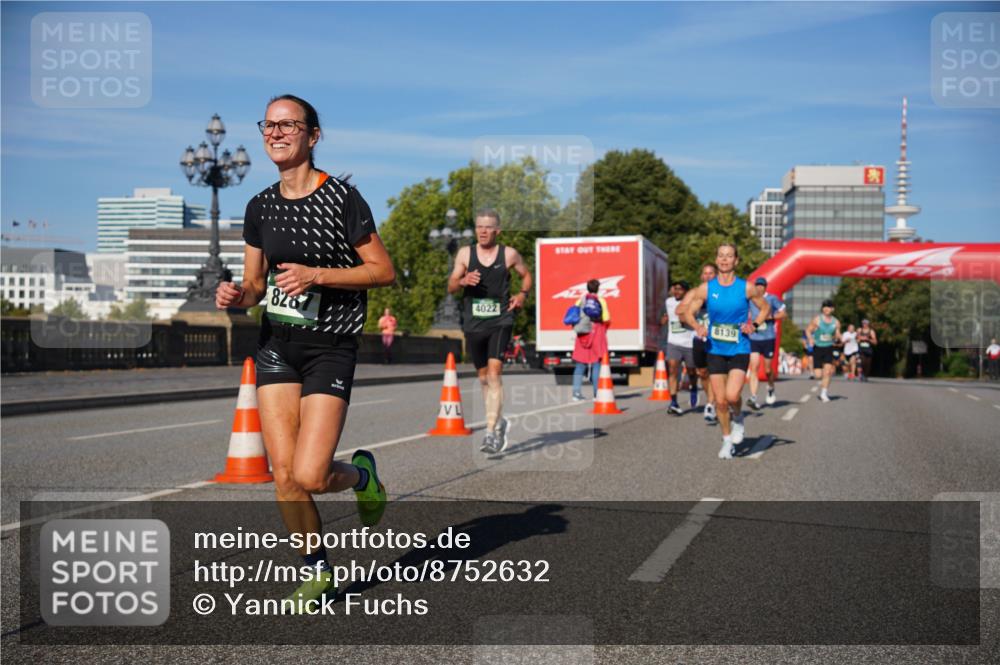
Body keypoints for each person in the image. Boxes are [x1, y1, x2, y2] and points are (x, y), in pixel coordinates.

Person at [215, 94, 395, 609]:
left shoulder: (341, 199)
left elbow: (382, 272)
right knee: (285, 475)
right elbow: (253, 284)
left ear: (312, 136)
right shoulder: (259, 206)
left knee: (313, 475)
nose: (275, 133)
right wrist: (236, 296)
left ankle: (362, 475)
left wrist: (316, 274)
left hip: (330, 348)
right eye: (268, 125)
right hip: (276, 347)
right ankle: (317, 572)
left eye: (288, 125)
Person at [447, 209, 532, 454]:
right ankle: (498, 421)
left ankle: (491, 431)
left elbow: (526, 276)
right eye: (479, 227)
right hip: (474, 323)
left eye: (487, 227)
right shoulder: (465, 253)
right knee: (483, 377)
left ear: (497, 231)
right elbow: (451, 285)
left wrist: (522, 295)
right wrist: (462, 281)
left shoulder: (509, 254)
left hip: (500, 319)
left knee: (494, 374)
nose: (482, 231)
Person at [680, 243, 769, 460]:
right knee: (720, 401)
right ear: (717, 259)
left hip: (739, 347)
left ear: (736, 261)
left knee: (731, 395)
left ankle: (738, 417)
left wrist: (754, 325)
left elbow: (765, 308)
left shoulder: (747, 287)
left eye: (729, 256)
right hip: (715, 348)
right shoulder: (706, 288)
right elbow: (687, 312)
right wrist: (698, 326)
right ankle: (727, 440)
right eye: (721, 256)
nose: (724, 259)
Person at [677, 263, 718, 423]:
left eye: (711, 273)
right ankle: (712, 400)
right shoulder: (695, 293)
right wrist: (691, 312)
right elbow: (680, 311)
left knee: (717, 372)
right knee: (703, 373)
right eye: (705, 273)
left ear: (716, 275)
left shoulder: (723, 291)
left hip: (719, 339)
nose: (708, 276)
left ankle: (711, 404)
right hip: (699, 338)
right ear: (701, 276)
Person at [746, 277, 786, 410]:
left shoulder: (772, 299)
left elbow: (783, 314)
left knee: (768, 370)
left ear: (765, 287)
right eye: (757, 285)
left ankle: (770, 387)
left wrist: (771, 317)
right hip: (754, 337)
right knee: (754, 367)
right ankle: (753, 397)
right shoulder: (751, 299)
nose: (759, 287)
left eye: (762, 285)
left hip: (769, 337)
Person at [571, 279, 611, 401]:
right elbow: (606, 318)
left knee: (580, 364)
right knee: (596, 363)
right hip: (597, 332)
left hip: (583, 333)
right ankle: (596, 393)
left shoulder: (580, 300)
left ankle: (576, 393)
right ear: (598, 288)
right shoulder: (601, 300)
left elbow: (574, 315)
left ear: (587, 288)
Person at [661, 280, 696, 415]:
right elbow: (665, 317)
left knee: (692, 372)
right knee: (673, 370)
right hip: (673, 342)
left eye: (680, 289)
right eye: (675, 289)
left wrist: (685, 317)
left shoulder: (692, 303)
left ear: (686, 292)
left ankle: (693, 388)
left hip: (689, 343)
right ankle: (673, 402)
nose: (677, 292)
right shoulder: (668, 302)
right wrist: (663, 320)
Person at [806, 300, 841, 402]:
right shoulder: (817, 320)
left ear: (832, 309)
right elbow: (808, 330)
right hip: (818, 347)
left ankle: (824, 393)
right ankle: (822, 385)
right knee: (818, 375)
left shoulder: (836, 322)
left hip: (829, 347)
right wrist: (810, 339)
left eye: (828, 307)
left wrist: (840, 337)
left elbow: (837, 333)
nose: (826, 308)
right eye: (824, 306)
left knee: (828, 372)